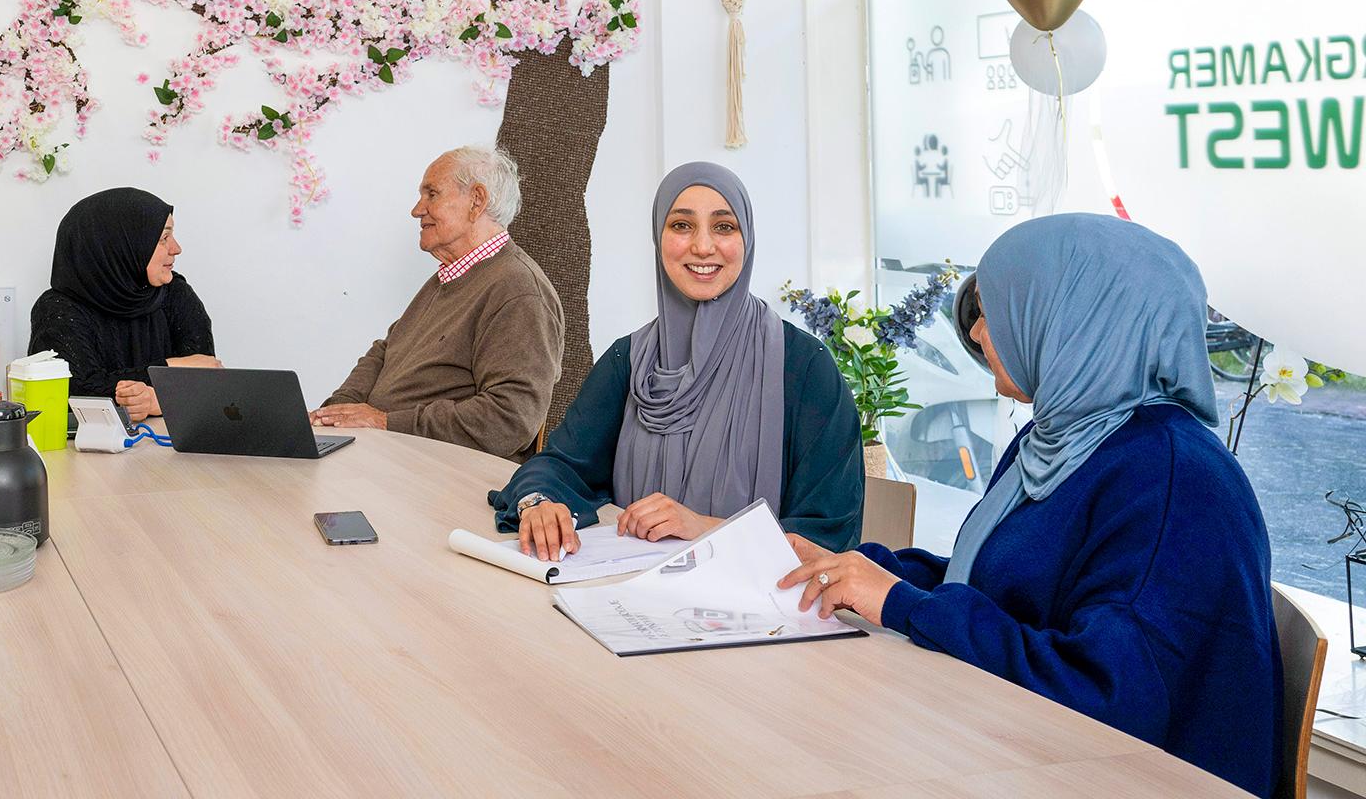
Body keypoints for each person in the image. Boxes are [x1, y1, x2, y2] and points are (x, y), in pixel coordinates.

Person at [781, 214, 1281, 797]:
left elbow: (1105, 700)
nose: (976, 333)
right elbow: (997, 584)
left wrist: (900, 603)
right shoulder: (1062, 440)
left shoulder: (1175, 481)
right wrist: (857, 570)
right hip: (1019, 753)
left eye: (996, 311)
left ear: (1076, 322)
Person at [493, 162, 863, 558]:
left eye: (724, 227)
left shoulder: (805, 368)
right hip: (626, 582)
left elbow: (830, 539)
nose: (702, 246)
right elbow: (561, 464)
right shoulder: (628, 360)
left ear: (747, 239)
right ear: (659, 237)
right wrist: (540, 502)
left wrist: (705, 529)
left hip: (754, 594)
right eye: (682, 225)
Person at [310, 146, 562, 461]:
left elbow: (509, 419)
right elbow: (385, 352)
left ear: (477, 201)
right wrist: (336, 413)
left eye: (432, 194)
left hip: (439, 472)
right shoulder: (450, 276)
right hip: (388, 455)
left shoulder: (519, 290)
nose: (417, 210)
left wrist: (386, 422)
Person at [28, 187, 220, 422]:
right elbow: (74, 391)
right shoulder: (58, 308)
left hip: (168, 440)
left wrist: (155, 400)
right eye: (163, 239)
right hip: (86, 444)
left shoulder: (174, 293)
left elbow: (206, 378)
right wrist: (168, 369)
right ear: (121, 245)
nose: (176, 248)